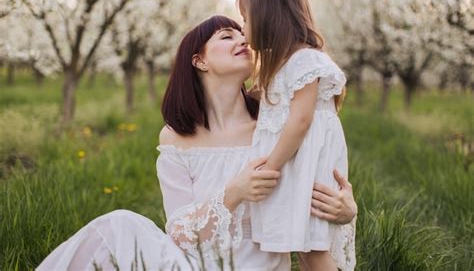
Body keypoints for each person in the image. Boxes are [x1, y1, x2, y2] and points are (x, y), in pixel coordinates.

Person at [37, 15, 356, 271]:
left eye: (242, 32)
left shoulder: (275, 127)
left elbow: (315, 194)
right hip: (192, 263)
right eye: (226, 36)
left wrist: (346, 211)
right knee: (119, 225)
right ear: (199, 61)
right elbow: (179, 231)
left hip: (258, 264)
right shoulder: (175, 137)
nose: (242, 39)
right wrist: (233, 194)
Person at [237, 0, 355, 271]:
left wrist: (271, 167)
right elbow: (275, 107)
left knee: (313, 250)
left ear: (268, 18)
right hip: (296, 168)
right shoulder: (283, 65)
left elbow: (301, 120)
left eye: (246, 19)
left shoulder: (305, 61)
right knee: (303, 250)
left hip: (306, 170)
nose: (243, 27)